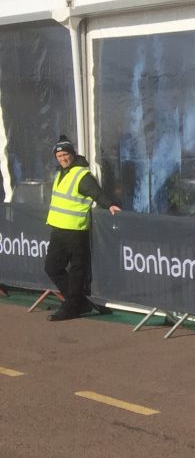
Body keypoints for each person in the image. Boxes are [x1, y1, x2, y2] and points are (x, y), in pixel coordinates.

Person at [43, 136, 121, 322]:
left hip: (75, 230)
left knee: (77, 270)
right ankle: (79, 302)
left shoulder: (81, 175)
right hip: (58, 229)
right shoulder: (61, 173)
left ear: (72, 154)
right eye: (59, 155)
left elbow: (97, 193)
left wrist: (109, 204)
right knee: (52, 267)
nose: (62, 158)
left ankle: (72, 307)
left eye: (65, 154)